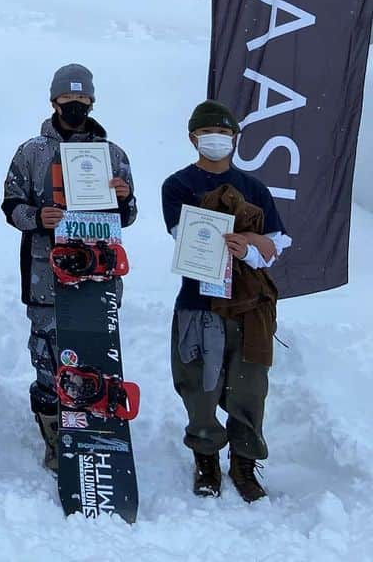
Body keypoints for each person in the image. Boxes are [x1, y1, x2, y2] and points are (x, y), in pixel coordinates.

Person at [1, 64, 135, 474]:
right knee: (47, 357)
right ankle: (55, 435)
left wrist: (124, 198)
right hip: (45, 276)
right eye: (67, 100)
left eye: (82, 101)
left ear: (92, 102)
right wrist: (37, 217)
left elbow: (127, 215)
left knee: (94, 356)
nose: (75, 106)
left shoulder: (112, 154)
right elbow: (10, 204)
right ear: (53, 101)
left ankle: (94, 428)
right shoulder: (31, 152)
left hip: (98, 276)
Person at [162, 99, 290, 503]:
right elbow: (183, 234)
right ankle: (205, 459)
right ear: (193, 138)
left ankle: (244, 463)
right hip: (199, 304)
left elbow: (278, 243)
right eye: (208, 134)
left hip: (249, 309)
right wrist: (225, 239)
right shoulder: (178, 185)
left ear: (235, 138)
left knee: (249, 388)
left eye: (225, 134)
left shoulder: (255, 188)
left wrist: (250, 244)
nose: (217, 140)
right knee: (199, 385)